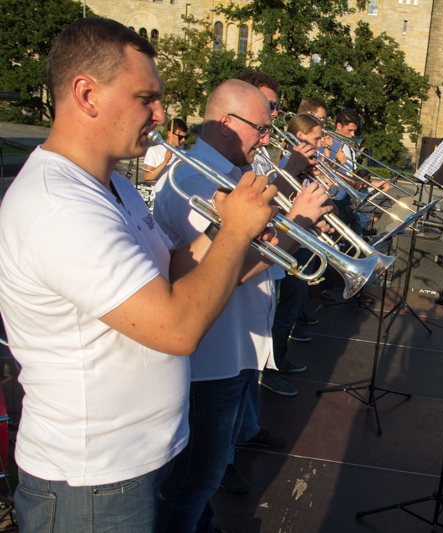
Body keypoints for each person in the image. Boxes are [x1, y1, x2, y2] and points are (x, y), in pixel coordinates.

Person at [0, 19, 278, 532]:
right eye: (146, 97)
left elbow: (167, 269)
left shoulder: (113, 187)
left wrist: (227, 230)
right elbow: (176, 328)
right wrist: (237, 233)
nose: (162, 114)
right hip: (94, 480)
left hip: (133, 462)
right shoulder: (60, 206)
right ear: (87, 94)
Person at [153, 80, 330, 533]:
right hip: (210, 359)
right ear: (228, 123)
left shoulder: (230, 172)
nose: (269, 138)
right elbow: (228, 266)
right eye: (262, 128)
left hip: (235, 349)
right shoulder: (193, 178)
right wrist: (298, 223)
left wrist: (292, 202)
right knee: (195, 479)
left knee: (206, 477)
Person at [261, 112, 327, 398]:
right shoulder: (280, 167)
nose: (322, 142)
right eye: (316, 137)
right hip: (283, 248)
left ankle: (279, 361)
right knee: (280, 314)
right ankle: (271, 370)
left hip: (299, 244)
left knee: (287, 310)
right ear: (300, 138)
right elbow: (277, 205)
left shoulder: (299, 169)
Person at [144, 117, 188, 182]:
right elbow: (147, 177)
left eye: (185, 137)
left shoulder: (184, 154)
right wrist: (165, 162)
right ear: (169, 133)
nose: (183, 140)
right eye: (180, 137)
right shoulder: (154, 151)